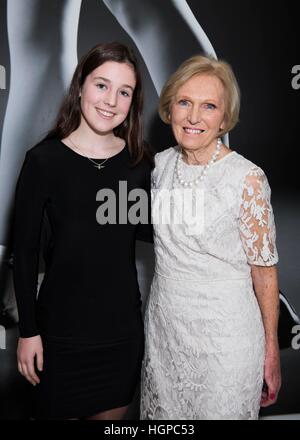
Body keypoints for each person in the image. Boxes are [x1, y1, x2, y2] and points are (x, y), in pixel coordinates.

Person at [13, 42, 152, 420]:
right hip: (58, 338)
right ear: (80, 87)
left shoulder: (140, 165)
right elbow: (24, 253)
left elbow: (168, 236)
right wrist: (28, 332)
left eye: (124, 92)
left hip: (120, 339)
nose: (111, 100)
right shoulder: (44, 161)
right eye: (101, 85)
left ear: (133, 102)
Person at [140, 55, 281, 420]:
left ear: (224, 117)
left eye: (209, 106)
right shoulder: (158, 167)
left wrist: (271, 351)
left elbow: (264, 272)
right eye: (184, 102)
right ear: (169, 107)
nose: (193, 117)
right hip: (166, 333)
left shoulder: (246, 179)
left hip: (226, 341)